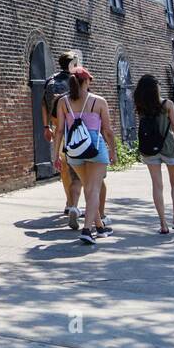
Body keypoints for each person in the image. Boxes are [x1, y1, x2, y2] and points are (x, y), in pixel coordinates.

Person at [60, 67, 117, 245]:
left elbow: (60, 131)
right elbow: (107, 131)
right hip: (94, 147)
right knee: (94, 190)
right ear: (85, 81)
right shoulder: (99, 101)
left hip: (74, 150)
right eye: (90, 80)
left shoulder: (63, 102)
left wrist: (56, 155)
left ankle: (99, 227)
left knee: (88, 187)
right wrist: (113, 151)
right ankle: (87, 230)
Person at [134, 74, 174, 234]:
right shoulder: (167, 104)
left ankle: (163, 224)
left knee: (157, 186)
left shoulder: (140, 105)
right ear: (155, 88)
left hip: (149, 149)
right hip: (168, 147)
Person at [42, 50, 84, 229]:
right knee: (81, 168)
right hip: (76, 128)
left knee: (65, 168)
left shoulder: (50, 80)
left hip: (58, 127)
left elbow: (43, 105)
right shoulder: (77, 79)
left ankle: (69, 202)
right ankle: (74, 204)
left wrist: (46, 127)